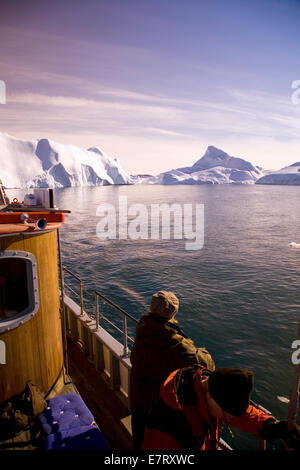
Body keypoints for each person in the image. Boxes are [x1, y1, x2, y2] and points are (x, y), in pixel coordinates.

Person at [142, 364, 300, 450]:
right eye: (227, 414)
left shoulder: (205, 387)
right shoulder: (174, 427)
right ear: (211, 397)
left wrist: (269, 426)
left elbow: (240, 414)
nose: (228, 419)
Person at [130, 291, 215, 449]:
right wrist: (201, 351)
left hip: (137, 399)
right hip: (156, 407)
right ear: (173, 312)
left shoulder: (143, 328)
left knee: (139, 439)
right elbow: (206, 363)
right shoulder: (175, 342)